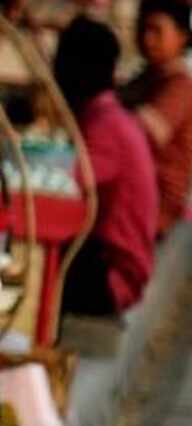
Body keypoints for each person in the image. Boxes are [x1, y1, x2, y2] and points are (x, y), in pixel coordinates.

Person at [54, 17, 158, 316]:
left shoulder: (106, 125)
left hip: (114, 276)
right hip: (108, 264)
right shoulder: (107, 116)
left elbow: (63, 186)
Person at [120, 0, 192, 236]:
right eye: (144, 29)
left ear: (182, 36)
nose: (147, 39)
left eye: (156, 31)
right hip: (133, 196)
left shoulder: (180, 85)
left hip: (158, 209)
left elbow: (149, 132)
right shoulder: (148, 78)